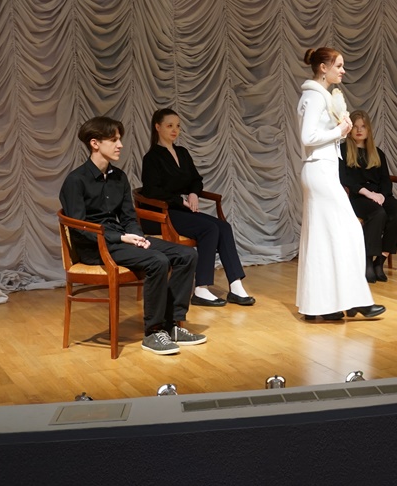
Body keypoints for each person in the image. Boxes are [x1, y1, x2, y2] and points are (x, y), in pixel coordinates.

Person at [59, 116, 205, 356]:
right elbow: (80, 227)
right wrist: (120, 238)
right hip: (96, 246)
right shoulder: (76, 180)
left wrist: (137, 237)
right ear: (95, 143)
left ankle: (172, 324)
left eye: (120, 139)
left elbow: (128, 217)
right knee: (157, 261)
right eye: (113, 140)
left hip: (122, 240)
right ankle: (153, 332)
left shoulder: (119, 177)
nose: (120, 145)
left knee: (186, 254)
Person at [296, 47, 385, 321]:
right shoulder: (315, 97)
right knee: (350, 232)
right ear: (323, 68)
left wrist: (338, 131)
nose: (343, 71)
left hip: (321, 170)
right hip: (319, 171)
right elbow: (308, 137)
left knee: (323, 240)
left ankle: (324, 305)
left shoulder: (316, 95)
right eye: (338, 65)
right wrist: (340, 131)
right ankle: (355, 300)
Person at [141, 108, 255, 308]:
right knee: (209, 229)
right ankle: (201, 288)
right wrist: (180, 201)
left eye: (177, 126)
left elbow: (196, 180)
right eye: (169, 126)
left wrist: (193, 193)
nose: (175, 130)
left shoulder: (182, 153)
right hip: (162, 214)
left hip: (180, 211)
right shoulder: (151, 158)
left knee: (223, 227)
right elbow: (152, 191)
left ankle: (236, 285)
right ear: (157, 127)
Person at [339, 110, 397, 284]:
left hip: (379, 195)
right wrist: (368, 193)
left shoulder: (378, 153)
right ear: (349, 129)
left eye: (363, 126)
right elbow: (345, 179)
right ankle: (368, 261)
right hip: (358, 196)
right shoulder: (343, 150)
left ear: (368, 129)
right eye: (355, 127)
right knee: (378, 214)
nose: (359, 130)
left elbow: (385, 180)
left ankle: (380, 261)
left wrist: (382, 196)